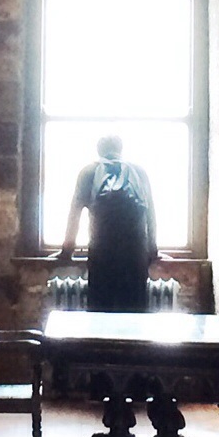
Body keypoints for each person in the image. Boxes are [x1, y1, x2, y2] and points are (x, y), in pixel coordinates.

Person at [57, 134, 157, 312]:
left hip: (101, 253)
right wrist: (152, 251)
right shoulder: (139, 172)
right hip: (135, 254)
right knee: (135, 315)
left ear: (99, 150)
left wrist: (67, 251)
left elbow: (75, 214)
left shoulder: (88, 172)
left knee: (100, 313)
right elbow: (151, 214)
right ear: (121, 149)